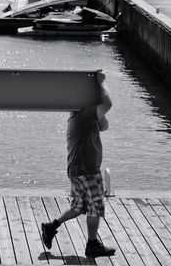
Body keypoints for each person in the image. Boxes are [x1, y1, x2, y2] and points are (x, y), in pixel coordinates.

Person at [41, 71, 116, 258]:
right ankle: (92, 245)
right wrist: (101, 83)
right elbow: (108, 104)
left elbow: (104, 126)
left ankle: (51, 227)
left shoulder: (80, 117)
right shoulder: (83, 117)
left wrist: (95, 105)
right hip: (87, 171)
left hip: (76, 170)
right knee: (95, 207)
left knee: (78, 206)